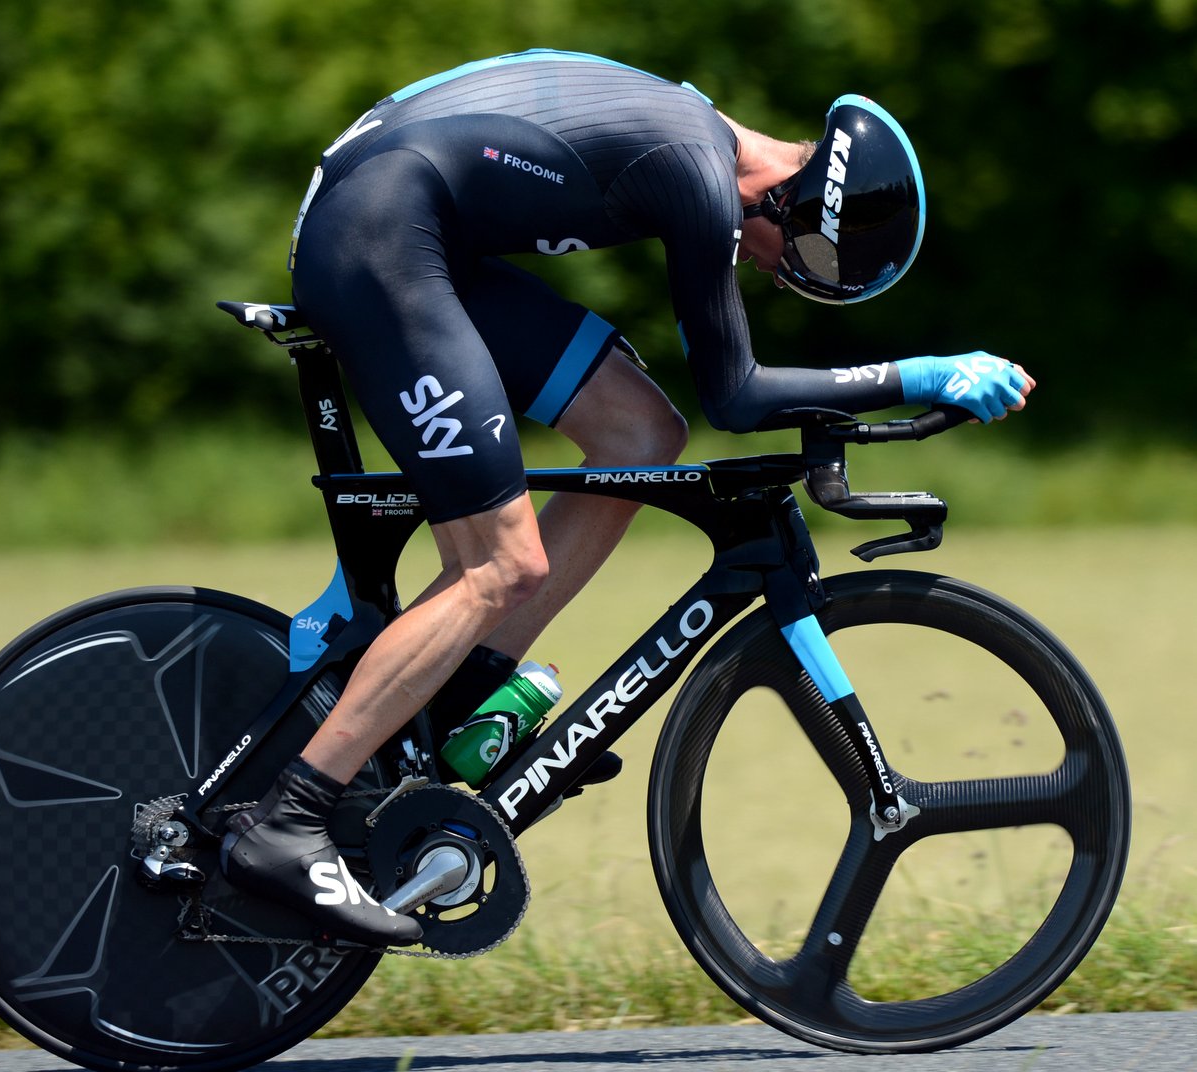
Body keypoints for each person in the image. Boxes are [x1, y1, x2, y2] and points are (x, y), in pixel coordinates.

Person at [219, 49, 1034, 946]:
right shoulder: (695, 170)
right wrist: (919, 373)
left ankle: (451, 701)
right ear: (794, 198)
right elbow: (737, 396)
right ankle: (286, 823)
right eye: (797, 255)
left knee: (642, 436)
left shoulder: (694, 144)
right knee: (502, 562)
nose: (774, 272)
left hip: (415, 230)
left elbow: (699, 410)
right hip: (377, 233)